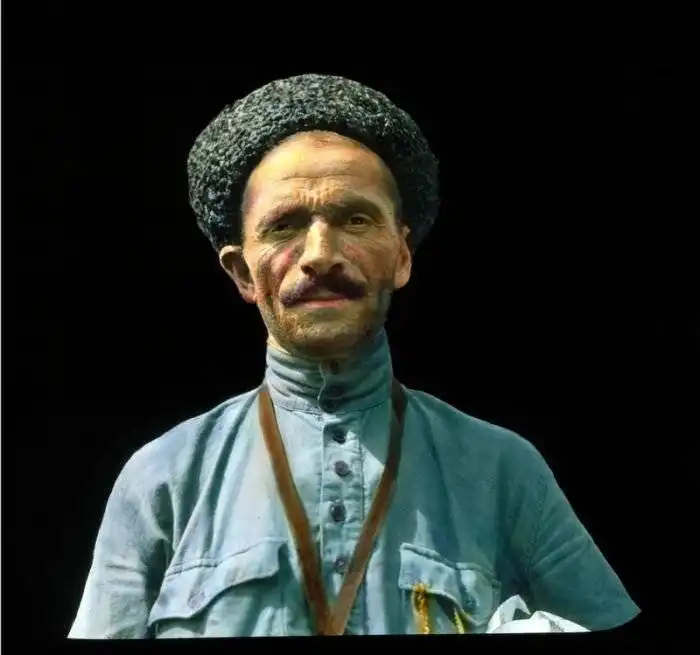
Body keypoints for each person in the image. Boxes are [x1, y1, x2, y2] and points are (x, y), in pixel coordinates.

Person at [68, 74, 640, 638]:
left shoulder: (503, 470)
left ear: (401, 257)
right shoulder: (162, 477)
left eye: (356, 219)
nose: (320, 254)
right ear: (242, 272)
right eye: (285, 225)